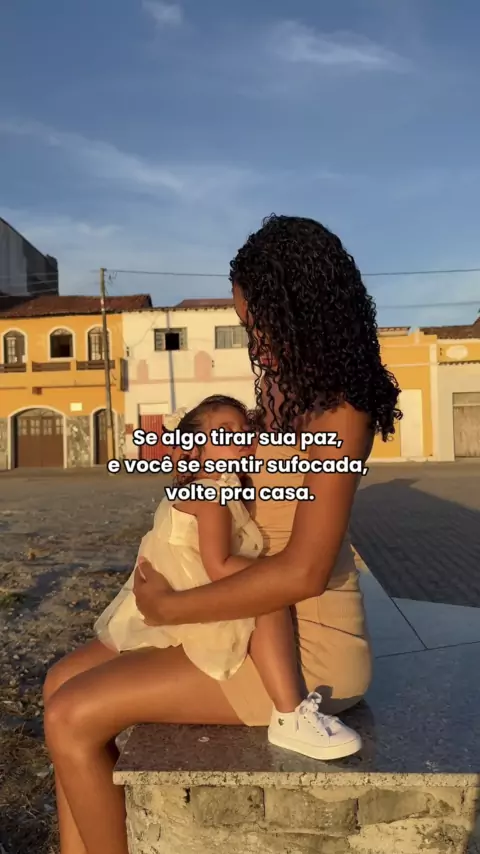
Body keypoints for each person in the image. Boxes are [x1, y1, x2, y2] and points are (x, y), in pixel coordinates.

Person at [43, 214, 401, 854]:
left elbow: (304, 571)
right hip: (239, 618)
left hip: (303, 654)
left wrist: (170, 607)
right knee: (56, 684)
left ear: (300, 310)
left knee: (72, 715)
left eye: (258, 321)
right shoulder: (282, 399)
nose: (254, 340)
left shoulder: (342, 413)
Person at [94, 393, 362, 762]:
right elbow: (218, 564)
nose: (241, 437)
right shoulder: (212, 496)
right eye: (224, 431)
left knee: (264, 590)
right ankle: (289, 715)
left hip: (178, 585)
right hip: (189, 586)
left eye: (244, 429)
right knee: (266, 596)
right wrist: (276, 574)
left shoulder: (214, 488)